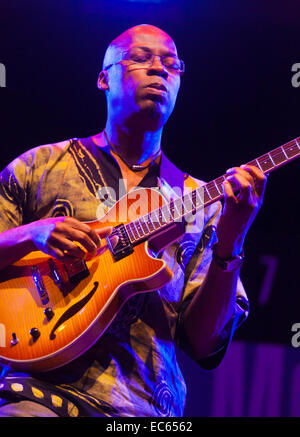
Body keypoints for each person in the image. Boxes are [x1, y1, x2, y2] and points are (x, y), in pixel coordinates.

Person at [0, 24, 267, 417]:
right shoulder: (38, 166)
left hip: (143, 410)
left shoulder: (201, 201)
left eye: (172, 65)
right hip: (35, 395)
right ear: (104, 78)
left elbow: (205, 342)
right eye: (141, 58)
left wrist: (232, 238)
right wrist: (32, 234)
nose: (159, 69)